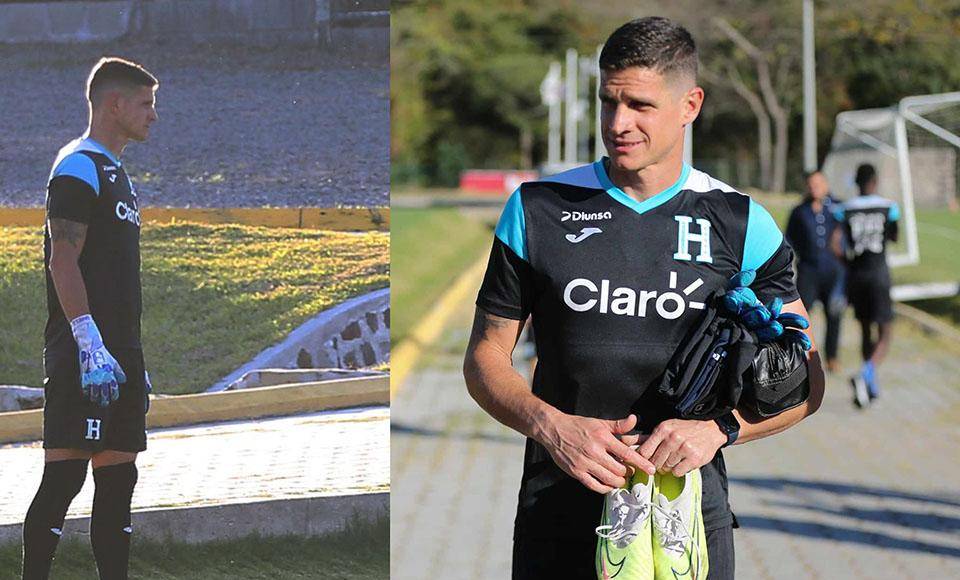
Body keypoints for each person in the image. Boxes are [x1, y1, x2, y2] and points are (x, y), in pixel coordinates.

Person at [463, 16, 825, 580]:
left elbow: (806, 380)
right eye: (609, 102)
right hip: (557, 509)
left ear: (690, 105)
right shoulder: (536, 209)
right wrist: (550, 425)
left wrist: (720, 430)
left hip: (685, 521)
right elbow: (485, 357)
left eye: (640, 105)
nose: (618, 123)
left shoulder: (740, 222)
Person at [22, 57, 158, 580]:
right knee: (64, 479)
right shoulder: (78, 163)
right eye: (145, 104)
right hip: (84, 350)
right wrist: (88, 341)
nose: (153, 115)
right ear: (114, 105)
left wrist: (127, 354)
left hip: (119, 354)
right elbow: (63, 259)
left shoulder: (119, 174)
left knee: (120, 481)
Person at [831, 163, 900, 408]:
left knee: (864, 329)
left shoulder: (844, 210)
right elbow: (894, 236)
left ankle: (871, 386)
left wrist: (847, 263)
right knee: (886, 331)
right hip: (878, 274)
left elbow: (836, 243)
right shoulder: (888, 207)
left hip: (856, 276)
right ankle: (866, 374)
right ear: (875, 182)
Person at [786, 171, 845, 373]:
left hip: (833, 271)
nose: (815, 188)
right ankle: (799, 354)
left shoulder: (838, 208)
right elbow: (789, 241)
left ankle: (832, 357)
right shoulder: (799, 211)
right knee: (802, 315)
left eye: (818, 184)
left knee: (834, 314)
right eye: (811, 184)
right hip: (808, 271)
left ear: (826, 184)